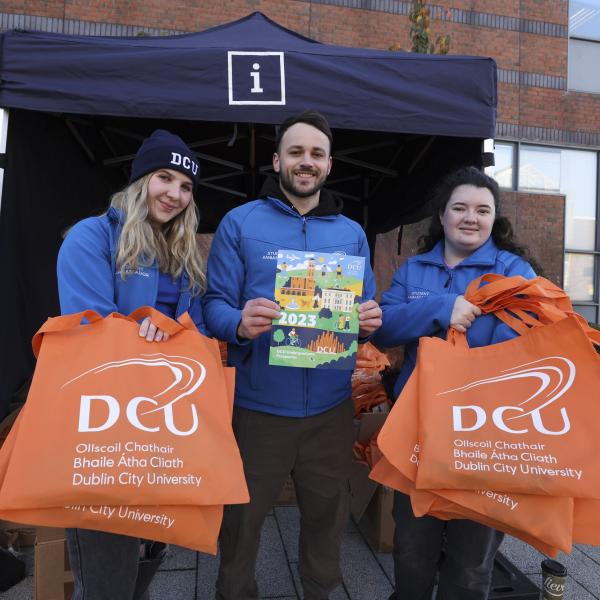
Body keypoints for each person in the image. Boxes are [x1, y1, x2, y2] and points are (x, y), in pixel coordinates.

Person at [203, 110, 382, 600]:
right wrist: (237, 322)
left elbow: (365, 307)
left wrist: (368, 322)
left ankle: (321, 592)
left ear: (329, 166)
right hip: (258, 408)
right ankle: (233, 592)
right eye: (297, 152)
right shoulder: (240, 223)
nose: (307, 162)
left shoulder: (350, 233)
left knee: (327, 517)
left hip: (330, 408)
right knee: (240, 521)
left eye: (317, 154)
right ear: (278, 159)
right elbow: (211, 305)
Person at [374, 166, 538, 600]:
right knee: (411, 549)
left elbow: (531, 338)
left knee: (471, 561)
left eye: (482, 210)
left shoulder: (513, 270)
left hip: (484, 432)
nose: (471, 217)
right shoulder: (414, 271)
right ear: (442, 216)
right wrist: (442, 309)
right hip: (419, 431)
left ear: (494, 219)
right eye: (460, 207)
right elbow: (384, 329)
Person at [57, 129, 205, 600]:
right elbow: (89, 327)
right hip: (105, 424)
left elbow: (194, 329)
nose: (175, 194)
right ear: (141, 178)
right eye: (165, 177)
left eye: (186, 186)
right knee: (105, 573)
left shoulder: (182, 252)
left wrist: (179, 329)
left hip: (162, 421)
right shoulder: (91, 236)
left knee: (149, 548)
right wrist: (150, 321)